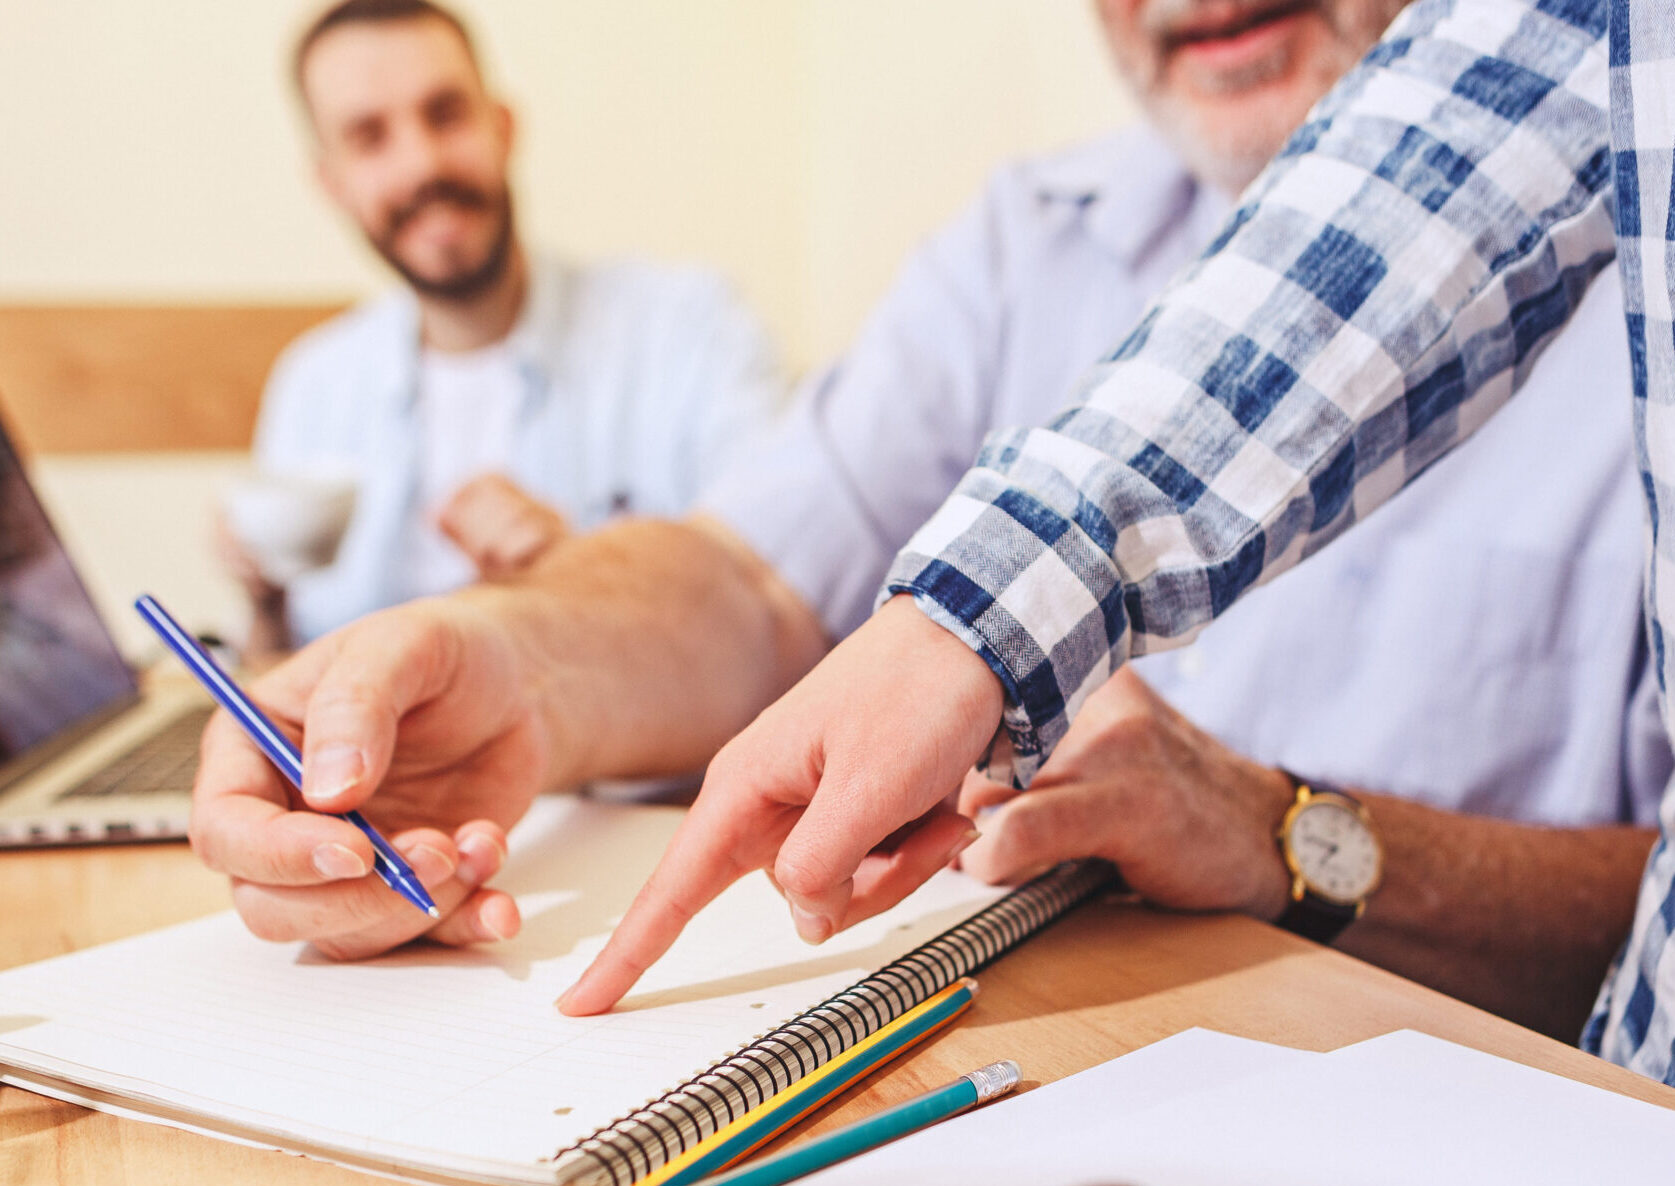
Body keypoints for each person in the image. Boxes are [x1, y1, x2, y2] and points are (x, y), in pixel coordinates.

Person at [189, 0, 1657, 1047]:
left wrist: (1294, 835)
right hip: (977, 1088)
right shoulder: (1021, 242)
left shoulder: (1623, 249)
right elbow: (749, 573)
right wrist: (506, 657)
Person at [222, 0, 781, 653]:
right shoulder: (314, 383)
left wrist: (586, 575)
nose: (421, 165)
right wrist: (264, 606)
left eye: (446, 114)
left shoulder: (692, 331)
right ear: (332, 183)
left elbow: (776, 608)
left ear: (504, 127)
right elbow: (285, 671)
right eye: (369, 137)